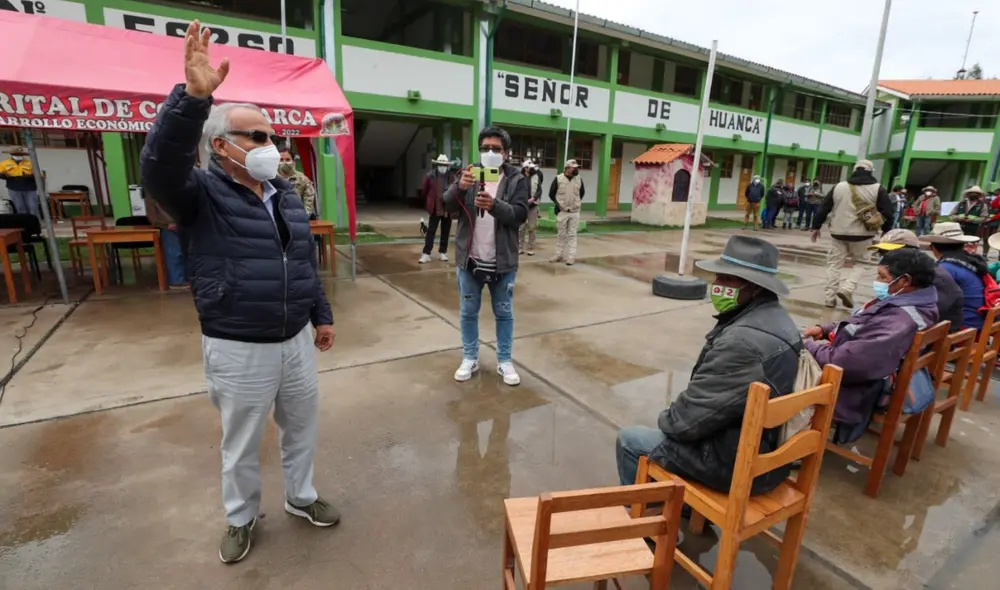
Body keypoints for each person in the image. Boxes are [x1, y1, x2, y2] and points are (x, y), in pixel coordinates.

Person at [140, 22, 337, 564]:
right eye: (257, 136)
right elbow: (158, 169)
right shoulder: (198, 192)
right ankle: (241, 518)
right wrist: (193, 100)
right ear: (221, 145)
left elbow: (302, 262)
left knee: (301, 429)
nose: (269, 145)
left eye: (270, 136)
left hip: (294, 339)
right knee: (242, 443)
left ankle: (302, 497)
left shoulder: (286, 196)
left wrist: (320, 315)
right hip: (237, 344)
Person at [616, 235, 800, 494]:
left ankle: (647, 523)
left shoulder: (741, 343)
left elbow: (684, 423)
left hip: (739, 464)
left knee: (631, 440)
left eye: (726, 279)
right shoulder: (780, 319)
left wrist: (667, 419)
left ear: (755, 287)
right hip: (764, 452)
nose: (717, 285)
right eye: (718, 277)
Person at [803, 248, 939, 440]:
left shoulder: (899, 320)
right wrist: (826, 329)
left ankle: (789, 442)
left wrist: (807, 347)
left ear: (905, 280)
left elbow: (846, 362)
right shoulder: (910, 302)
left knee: (776, 364)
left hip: (854, 389)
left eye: (882, 277)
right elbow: (864, 320)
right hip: (864, 371)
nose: (877, 281)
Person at [443, 126, 529, 385]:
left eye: (496, 149)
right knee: (468, 312)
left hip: (502, 262)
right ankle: (470, 357)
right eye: (485, 148)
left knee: (504, 313)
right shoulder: (468, 174)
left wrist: (494, 205)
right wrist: (459, 187)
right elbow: (445, 204)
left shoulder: (516, 180)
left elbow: (520, 215)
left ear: (506, 153)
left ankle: (504, 360)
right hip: (470, 261)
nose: (490, 153)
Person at [811, 159, 893, 309]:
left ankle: (829, 298)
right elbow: (887, 212)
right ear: (870, 171)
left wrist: (816, 227)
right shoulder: (878, 189)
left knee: (834, 265)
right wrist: (886, 232)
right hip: (863, 235)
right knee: (861, 263)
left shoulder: (839, 187)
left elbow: (824, 207)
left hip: (838, 233)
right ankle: (847, 288)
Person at [869, 229, 962, 332]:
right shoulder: (903, 273)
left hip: (932, 340)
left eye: (889, 253)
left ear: (910, 253)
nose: (884, 258)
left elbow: (917, 319)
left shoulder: (932, 277)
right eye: (881, 253)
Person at [920, 222, 986, 332]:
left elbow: (936, 305)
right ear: (962, 245)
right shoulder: (970, 261)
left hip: (963, 329)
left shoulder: (945, 269)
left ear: (933, 248)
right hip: (977, 322)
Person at [419, 154, 456, 264]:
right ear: (437, 165)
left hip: (447, 208)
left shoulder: (452, 177)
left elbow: (455, 191)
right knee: (431, 231)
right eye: (440, 164)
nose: (442, 167)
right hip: (435, 207)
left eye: (444, 165)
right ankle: (426, 253)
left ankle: (442, 252)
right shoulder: (430, 176)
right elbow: (424, 191)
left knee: (446, 231)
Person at [548, 159, 584, 265]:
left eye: (577, 168)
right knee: (561, 234)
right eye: (574, 168)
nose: (576, 170)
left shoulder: (579, 179)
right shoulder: (558, 179)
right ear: (567, 168)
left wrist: (575, 202)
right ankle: (559, 255)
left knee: (572, 234)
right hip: (562, 211)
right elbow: (551, 193)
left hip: (574, 211)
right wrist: (558, 204)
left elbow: (581, 193)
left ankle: (571, 257)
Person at [277, 145, 317, 218]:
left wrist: (303, 217)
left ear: (293, 161)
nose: (284, 162)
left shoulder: (302, 179)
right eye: (281, 160)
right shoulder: (271, 178)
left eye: (288, 159)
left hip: (297, 217)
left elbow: (309, 202)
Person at [0, 146, 40, 218]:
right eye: (16, 154)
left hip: (30, 187)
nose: (19, 156)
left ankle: (35, 224)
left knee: (33, 207)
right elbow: (1, 174)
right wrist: (5, 176)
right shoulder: (4, 163)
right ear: (11, 154)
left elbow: (37, 174)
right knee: (20, 207)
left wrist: (30, 176)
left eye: (20, 154)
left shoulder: (30, 163)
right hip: (14, 187)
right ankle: (24, 225)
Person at [518, 159, 543, 256]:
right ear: (525, 168)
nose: (531, 169)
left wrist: (534, 198)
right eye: (529, 167)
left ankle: (531, 248)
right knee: (521, 227)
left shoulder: (536, 176)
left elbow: (539, 190)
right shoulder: (520, 177)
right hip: (522, 205)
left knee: (532, 228)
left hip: (533, 205)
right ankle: (520, 247)